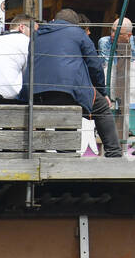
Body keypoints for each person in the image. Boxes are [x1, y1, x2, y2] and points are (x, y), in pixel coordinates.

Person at [21, 8, 122, 157]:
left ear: (54, 21)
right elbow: (94, 65)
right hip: (69, 90)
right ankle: (114, 154)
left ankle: (53, 154)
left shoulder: (36, 35)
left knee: (64, 109)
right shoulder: (78, 33)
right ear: (75, 24)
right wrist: (101, 91)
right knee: (101, 108)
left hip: (36, 94)